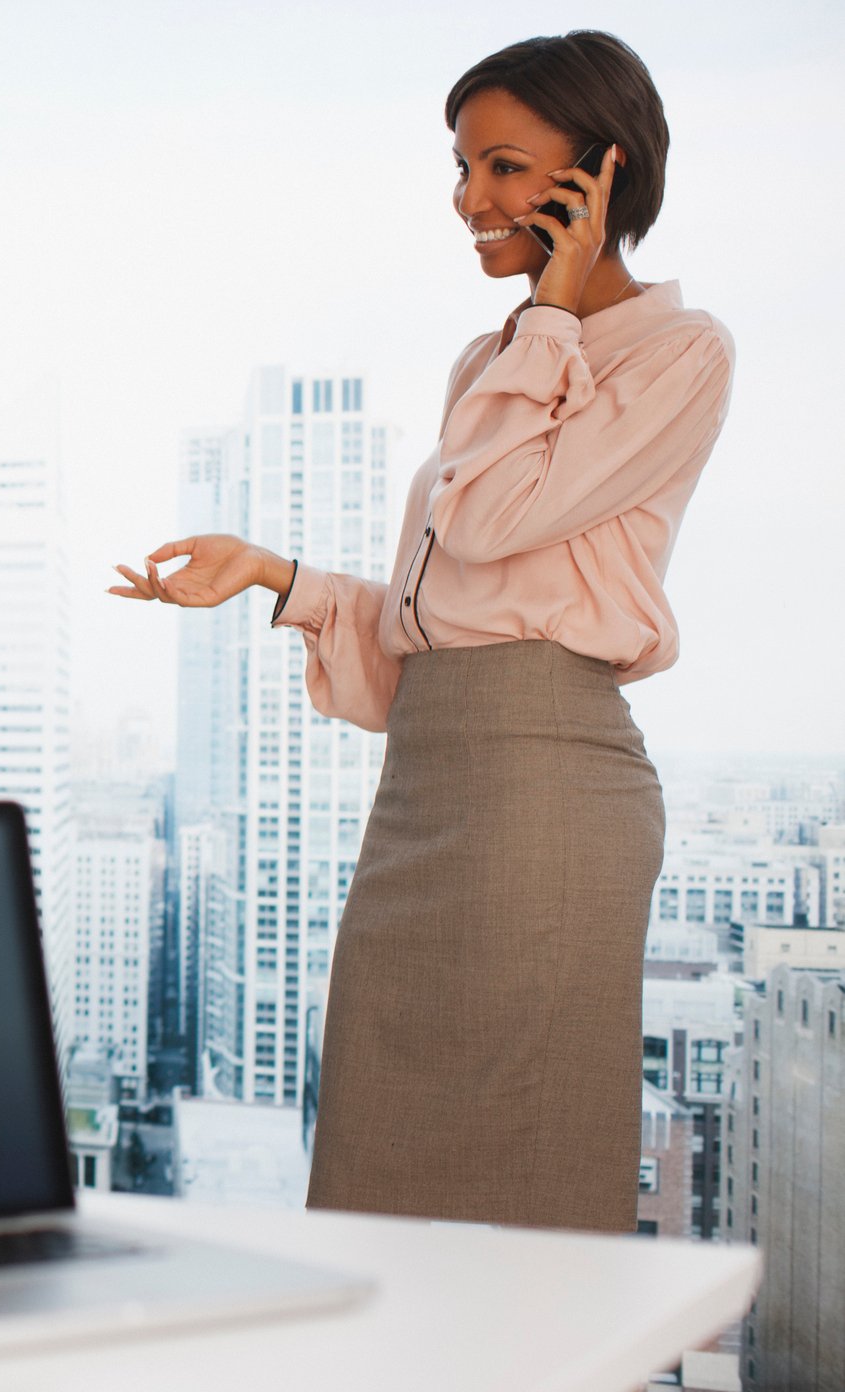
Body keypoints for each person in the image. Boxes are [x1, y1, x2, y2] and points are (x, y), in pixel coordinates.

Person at [110, 30, 734, 1245]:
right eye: (458, 168)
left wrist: (553, 307)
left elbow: (501, 518)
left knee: (528, 1192)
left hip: (546, 787)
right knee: (380, 1171)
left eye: (502, 167)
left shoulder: (677, 353)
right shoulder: (489, 360)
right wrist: (276, 576)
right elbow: (440, 620)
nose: (470, 201)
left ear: (596, 175)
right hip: (433, 786)